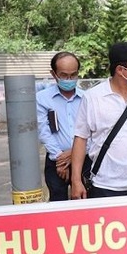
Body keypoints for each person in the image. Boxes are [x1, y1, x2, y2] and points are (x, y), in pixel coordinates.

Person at [69, 42, 127, 254]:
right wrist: (76, 181)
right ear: (121, 70)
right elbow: (80, 139)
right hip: (105, 185)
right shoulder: (93, 98)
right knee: (106, 247)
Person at [36, 51, 91, 201]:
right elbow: (43, 131)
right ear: (54, 74)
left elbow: (94, 132)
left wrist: (74, 153)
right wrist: (59, 159)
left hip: (85, 160)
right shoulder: (42, 99)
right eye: (64, 75)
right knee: (58, 202)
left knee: (86, 201)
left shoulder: (87, 98)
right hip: (56, 161)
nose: (69, 79)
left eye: (73, 75)